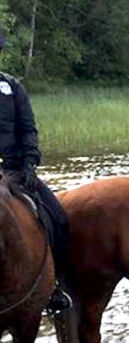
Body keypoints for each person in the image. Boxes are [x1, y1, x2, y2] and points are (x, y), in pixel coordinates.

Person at [0, 25, 71, 312]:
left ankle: (54, 288)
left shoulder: (13, 88)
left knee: (60, 219)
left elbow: (28, 129)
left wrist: (30, 162)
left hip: (15, 174)